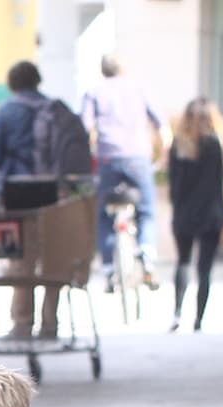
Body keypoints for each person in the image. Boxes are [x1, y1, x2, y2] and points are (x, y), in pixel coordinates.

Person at [0, 60, 61, 339]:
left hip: (18, 193)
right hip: (53, 194)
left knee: (22, 257)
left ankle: (22, 321)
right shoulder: (54, 109)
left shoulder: (7, 110)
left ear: (12, 83)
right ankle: (50, 323)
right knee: (54, 257)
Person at [81, 53, 168, 291]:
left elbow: (85, 128)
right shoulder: (139, 89)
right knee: (146, 211)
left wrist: (91, 153)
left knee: (104, 214)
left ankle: (108, 267)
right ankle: (147, 255)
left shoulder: (95, 92)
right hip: (138, 158)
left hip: (108, 158)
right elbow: (162, 126)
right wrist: (162, 156)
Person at [167, 97, 223, 333]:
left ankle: (177, 312)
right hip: (210, 214)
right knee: (204, 268)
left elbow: (174, 185)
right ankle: (198, 320)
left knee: (183, 262)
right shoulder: (215, 145)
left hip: (185, 214)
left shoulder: (179, 147)